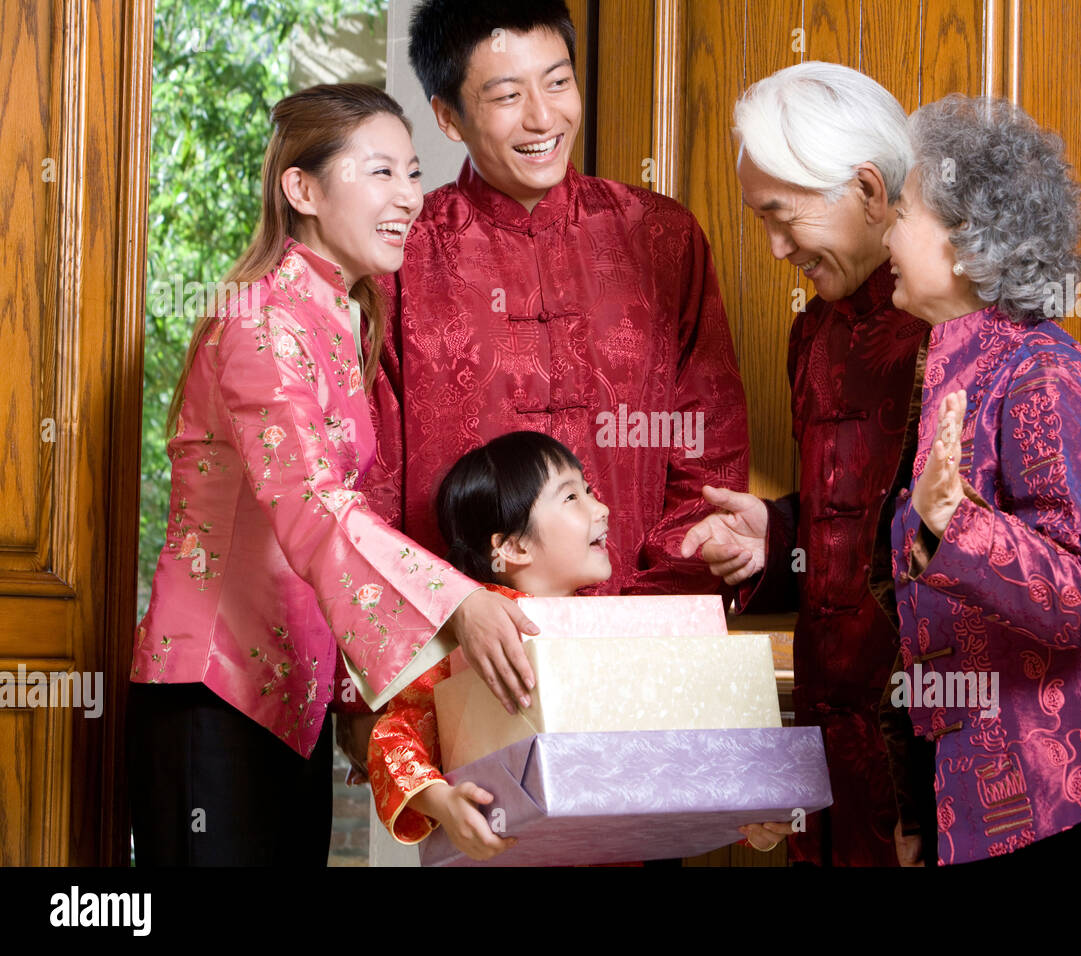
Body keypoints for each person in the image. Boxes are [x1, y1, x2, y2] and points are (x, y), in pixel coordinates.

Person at [681, 63, 1081, 866]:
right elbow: (879, 531)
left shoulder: (1016, 355)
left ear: (879, 196)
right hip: (884, 765)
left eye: (781, 214)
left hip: (1011, 782)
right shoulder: (828, 339)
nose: (772, 247)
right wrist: (777, 536)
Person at [346, 0, 749, 736]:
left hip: (643, 668)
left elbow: (707, 450)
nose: (542, 118)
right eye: (506, 96)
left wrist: (646, 622)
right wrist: (449, 626)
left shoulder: (662, 240)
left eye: (557, 83)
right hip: (470, 667)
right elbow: (369, 482)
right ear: (448, 116)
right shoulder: (400, 259)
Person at [127, 84, 503, 865]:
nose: (408, 197)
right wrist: (456, 604)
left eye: (412, 174)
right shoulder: (258, 320)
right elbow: (312, 503)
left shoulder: (338, 317)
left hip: (289, 707)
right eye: (380, 173)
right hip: (214, 691)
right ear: (302, 189)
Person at [885, 93, 1081, 864]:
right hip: (961, 796)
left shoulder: (1044, 377)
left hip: (1040, 808)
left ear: (966, 244)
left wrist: (957, 525)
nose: (885, 233)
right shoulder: (952, 369)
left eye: (901, 211)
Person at [368, 431, 792, 860]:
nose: (602, 507)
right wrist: (442, 802)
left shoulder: (618, 630)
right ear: (513, 546)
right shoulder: (470, 636)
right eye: (572, 498)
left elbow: (665, 747)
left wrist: (745, 814)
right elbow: (393, 738)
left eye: (588, 490)